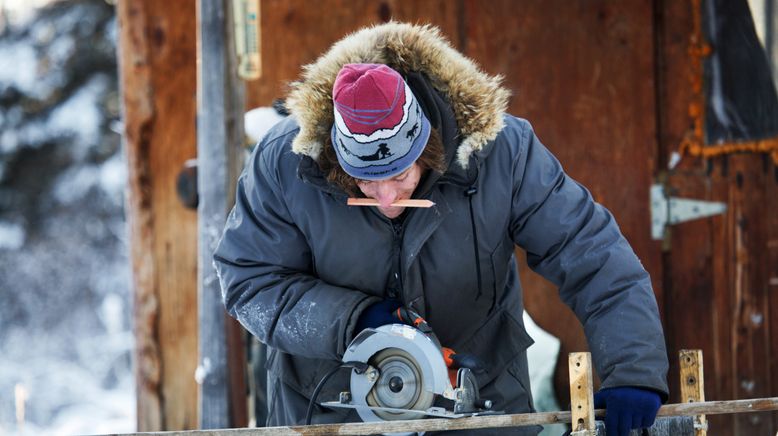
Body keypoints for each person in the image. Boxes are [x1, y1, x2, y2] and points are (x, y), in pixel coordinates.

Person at [214, 22, 668, 436]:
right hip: (330, 411)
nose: (386, 198)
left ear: (428, 147)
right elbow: (248, 280)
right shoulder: (286, 163)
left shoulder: (500, 153)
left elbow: (592, 255)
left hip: (482, 408)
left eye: (399, 175)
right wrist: (354, 321)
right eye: (366, 181)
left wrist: (633, 371)